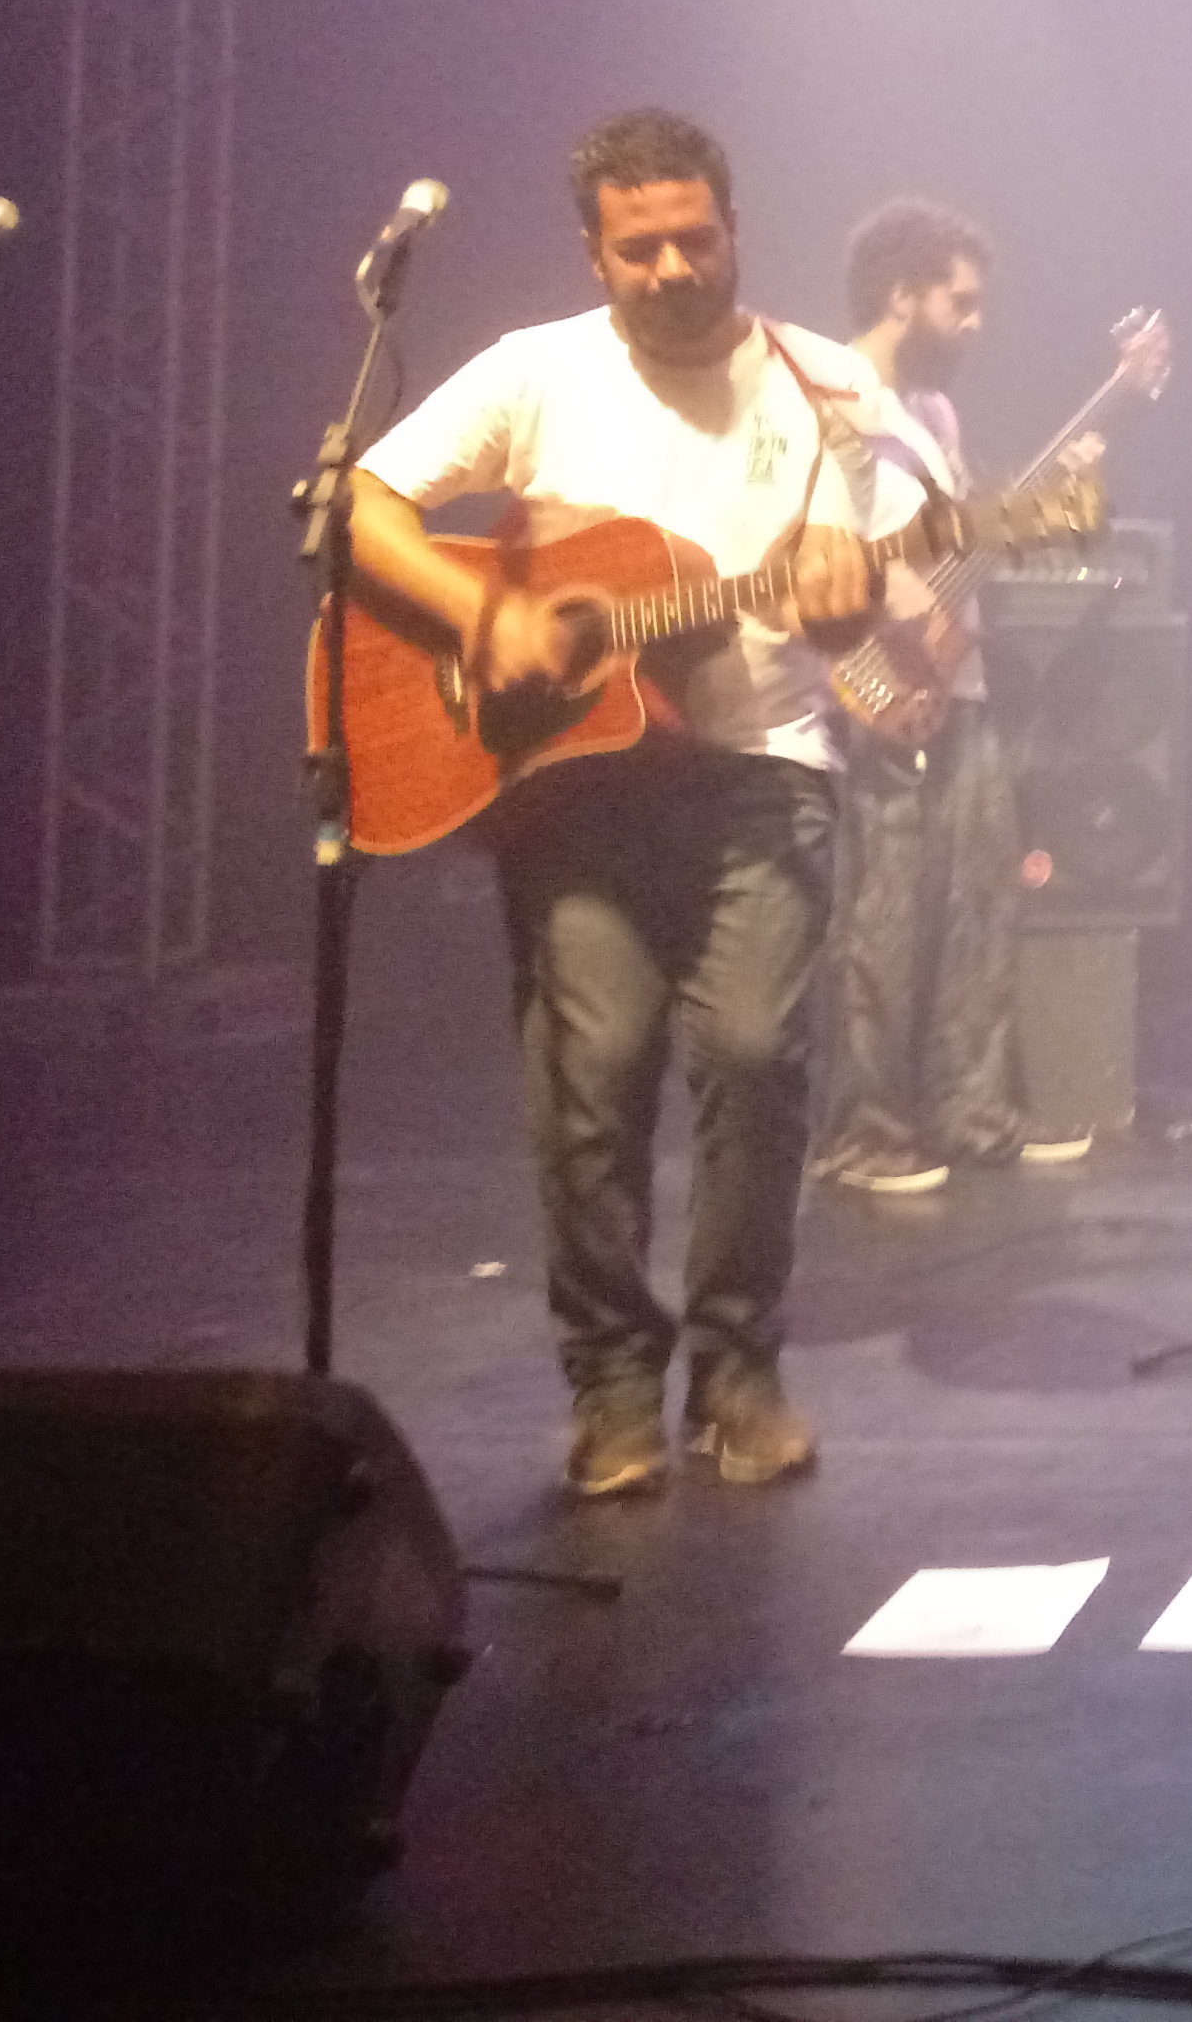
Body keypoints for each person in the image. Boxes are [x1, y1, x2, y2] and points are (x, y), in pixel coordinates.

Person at [352, 109, 921, 1500]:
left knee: (756, 1060)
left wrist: (849, 600)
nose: (672, 268)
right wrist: (483, 611)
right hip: (579, 778)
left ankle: (738, 1376)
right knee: (591, 1081)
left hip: (764, 759)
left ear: (734, 229)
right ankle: (612, 1387)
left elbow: (863, 613)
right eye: (639, 248)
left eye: (695, 239)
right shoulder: (536, 371)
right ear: (594, 254)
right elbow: (364, 504)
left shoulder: (831, 389)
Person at [805, 199, 1095, 1198]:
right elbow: (798, 537)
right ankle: (865, 1132)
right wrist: (877, 588)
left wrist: (1044, 509)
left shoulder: (934, 416)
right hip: (864, 685)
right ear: (902, 295)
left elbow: (961, 549)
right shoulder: (832, 399)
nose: (976, 324)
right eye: (959, 304)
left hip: (952, 682)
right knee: (878, 921)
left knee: (979, 899)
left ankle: (972, 1112)